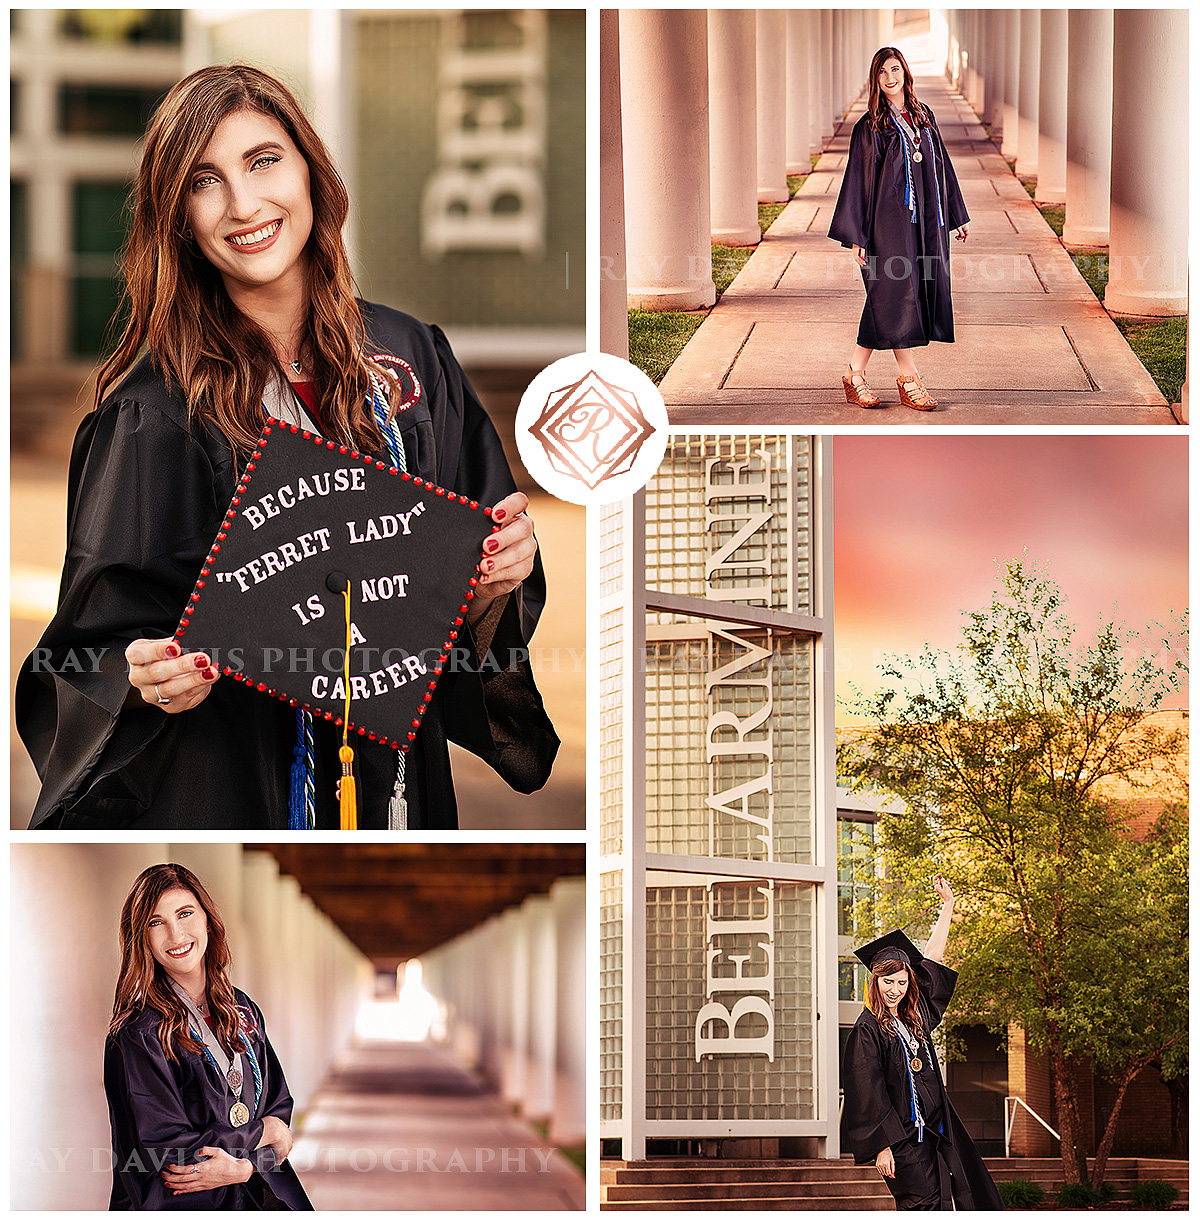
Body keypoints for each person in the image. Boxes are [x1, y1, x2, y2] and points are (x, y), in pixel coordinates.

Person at [16, 65, 559, 830]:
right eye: (205, 181)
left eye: (263, 160)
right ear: (178, 218)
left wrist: (494, 581)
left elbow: (461, 608)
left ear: (310, 168)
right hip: (237, 778)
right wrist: (140, 678)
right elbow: (84, 654)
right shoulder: (154, 413)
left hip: (394, 786)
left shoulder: (409, 361)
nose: (244, 205)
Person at [104, 863, 313, 1209]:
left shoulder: (241, 1009)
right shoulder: (139, 1032)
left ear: (207, 920)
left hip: (256, 1195)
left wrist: (244, 1167)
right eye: (156, 923)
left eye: (185, 914)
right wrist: (261, 1133)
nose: (176, 935)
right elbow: (168, 1148)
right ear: (141, 937)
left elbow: (279, 1115)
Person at [841, 875, 1004, 1210]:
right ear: (875, 981)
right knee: (924, 1203)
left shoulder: (914, 1019)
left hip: (934, 1132)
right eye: (887, 981)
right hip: (901, 1142)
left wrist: (948, 907)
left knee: (950, 1199)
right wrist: (882, 1146)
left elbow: (931, 962)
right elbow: (868, 1091)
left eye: (901, 982)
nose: (894, 989)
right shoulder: (868, 1029)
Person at [829, 47, 970, 411]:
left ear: (905, 72)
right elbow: (858, 181)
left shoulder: (925, 117)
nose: (890, 78)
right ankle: (909, 378)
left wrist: (957, 215)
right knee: (895, 292)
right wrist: (857, 235)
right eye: (882, 73)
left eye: (895, 69)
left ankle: (854, 373)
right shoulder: (872, 126)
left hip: (925, 222)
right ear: (875, 80)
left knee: (894, 296)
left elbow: (942, 167)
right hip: (886, 224)